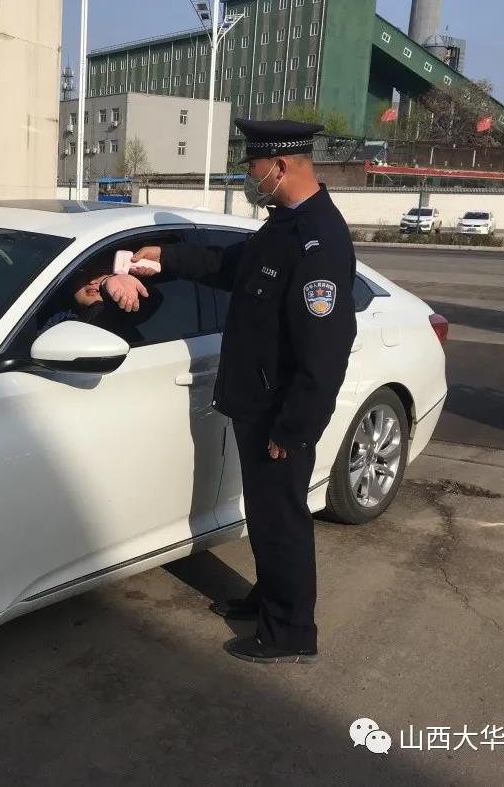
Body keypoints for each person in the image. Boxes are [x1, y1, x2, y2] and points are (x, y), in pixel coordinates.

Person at [127, 118, 357, 664]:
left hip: (280, 414)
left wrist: (294, 428)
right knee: (266, 513)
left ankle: (290, 631)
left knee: (282, 520)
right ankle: (269, 599)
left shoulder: (318, 241)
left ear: (280, 166)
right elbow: (228, 265)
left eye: (253, 168)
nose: (249, 178)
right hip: (257, 403)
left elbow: (325, 352)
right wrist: (164, 257)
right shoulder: (282, 226)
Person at [40, 255, 160, 344]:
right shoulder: (53, 316)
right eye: (82, 274)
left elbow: (148, 302)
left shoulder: (124, 316)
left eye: (101, 274)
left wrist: (106, 288)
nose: (92, 281)